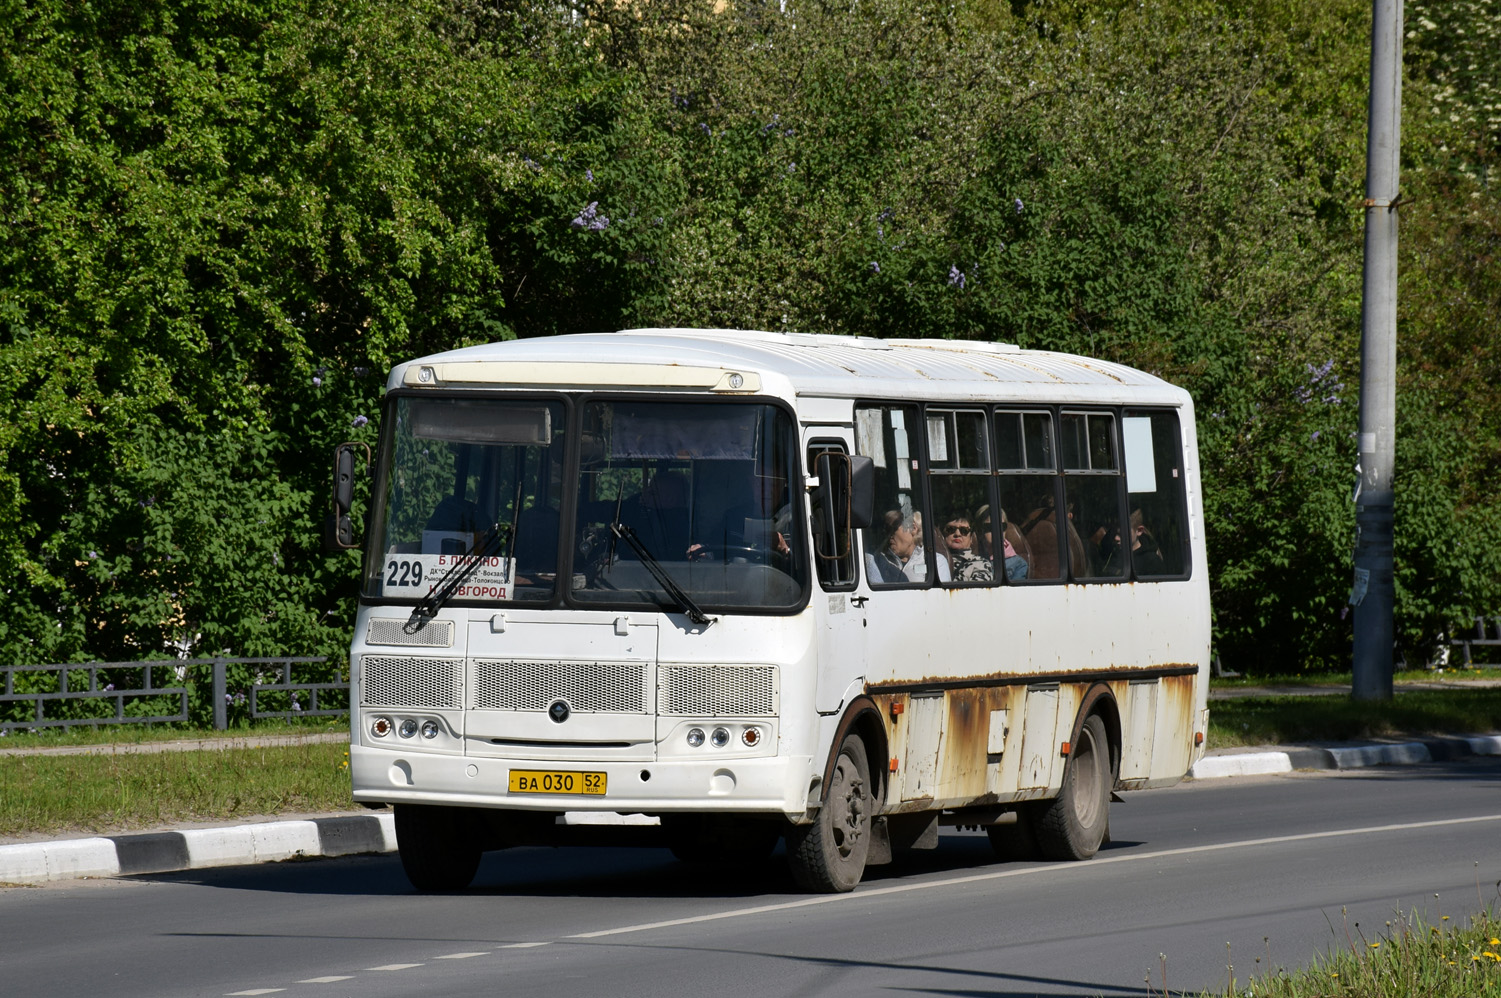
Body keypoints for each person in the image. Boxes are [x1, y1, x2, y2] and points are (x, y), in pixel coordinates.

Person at [976, 503, 1030, 582]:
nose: (997, 530)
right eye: (990, 527)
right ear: (980, 531)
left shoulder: (1019, 564)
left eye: (1002, 526)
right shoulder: (972, 558)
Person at [865, 509, 916, 584]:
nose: (889, 535)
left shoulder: (933, 561)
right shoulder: (877, 562)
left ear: (912, 528)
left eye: (893, 528)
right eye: (887, 530)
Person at [940, 512, 993, 583]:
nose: (957, 534)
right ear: (943, 535)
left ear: (971, 538)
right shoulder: (935, 561)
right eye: (951, 529)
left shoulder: (981, 564)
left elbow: (978, 592)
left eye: (964, 531)